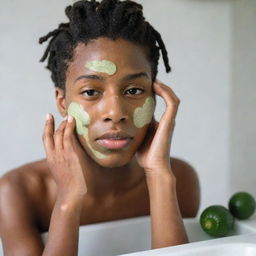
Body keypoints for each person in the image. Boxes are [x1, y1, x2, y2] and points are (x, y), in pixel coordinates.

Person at [0, 0, 200, 255]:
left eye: (134, 90)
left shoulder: (180, 180)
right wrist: (67, 201)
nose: (115, 113)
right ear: (63, 102)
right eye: (91, 91)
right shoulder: (18, 191)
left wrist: (159, 177)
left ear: (155, 96)